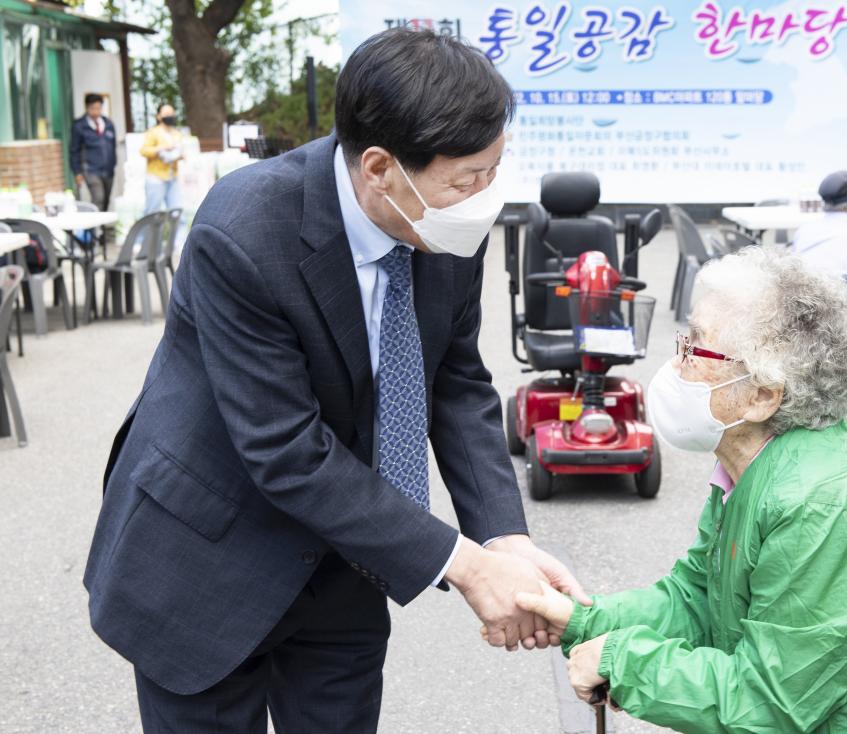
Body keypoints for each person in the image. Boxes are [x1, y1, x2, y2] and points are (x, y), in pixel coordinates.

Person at [84, 29, 583, 733]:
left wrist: (504, 538)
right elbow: (286, 450)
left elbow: (456, 382)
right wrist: (468, 567)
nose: (484, 198)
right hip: (207, 556)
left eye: (493, 171)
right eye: (467, 179)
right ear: (380, 168)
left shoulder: (443, 224)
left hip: (347, 555)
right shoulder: (247, 230)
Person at [513, 247, 847, 733]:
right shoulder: (755, 463)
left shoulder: (823, 502)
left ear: (762, 396)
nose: (676, 363)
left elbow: (770, 703)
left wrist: (622, 661)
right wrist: (585, 620)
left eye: (695, 347)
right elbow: (699, 598)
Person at [70, 93, 117, 214]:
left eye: (98, 108)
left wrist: (113, 164)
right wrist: (77, 172)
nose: (96, 112)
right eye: (93, 108)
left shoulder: (108, 124)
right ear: (87, 107)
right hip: (91, 169)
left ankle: (102, 225)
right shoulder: (79, 126)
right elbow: (74, 150)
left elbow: (113, 146)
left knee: (106, 200)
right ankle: (95, 225)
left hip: (108, 170)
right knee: (98, 198)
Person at [140, 103, 184, 214]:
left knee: (176, 212)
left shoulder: (177, 133)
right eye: (166, 113)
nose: (170, 116)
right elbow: (143, 151)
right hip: (156, 178)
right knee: (153, 211)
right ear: (159, 116)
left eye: (172, 113)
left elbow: (180, 151)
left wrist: (180, 155)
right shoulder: (153, 132)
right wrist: (160, 148)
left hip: (172, 177)